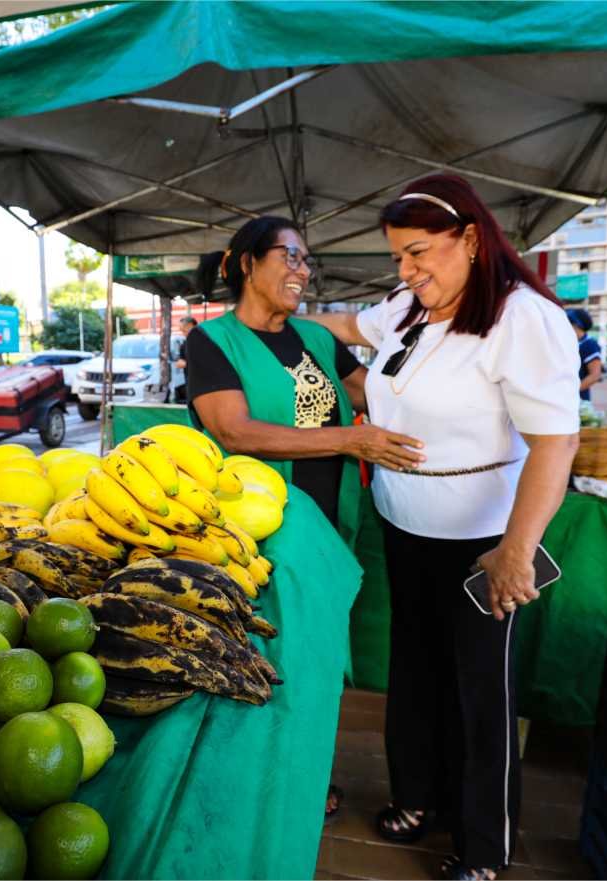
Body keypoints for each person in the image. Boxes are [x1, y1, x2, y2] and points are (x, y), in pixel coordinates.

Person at [306, 174, 580, 881]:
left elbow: (555, 442)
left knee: (479, 689)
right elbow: (344, 326)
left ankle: (485, 845)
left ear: (469, 237)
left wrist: (515, 549)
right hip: (404, 520)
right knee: (416, 665)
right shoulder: (407, 305)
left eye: (418, 251)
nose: (405, 270)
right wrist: (279, 311)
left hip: (481, 538)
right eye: (397, 255)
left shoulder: (522, 318)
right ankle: (417, 796)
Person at [187, 216, 424, 822]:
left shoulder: (316, 339)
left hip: (330, 526)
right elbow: (233, 430)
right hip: (260, 531)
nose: (302, 271)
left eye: (306, 261)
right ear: (247, 263)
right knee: (267, 655)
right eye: (290, 256)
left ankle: (309, 770)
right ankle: (261, 779)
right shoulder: (213, 343)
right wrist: (348, 441)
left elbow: (376, 393)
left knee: (315, 659)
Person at [567, 308, 602, 402]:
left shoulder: (589, 344)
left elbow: (595, 375)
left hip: (577, 399)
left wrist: (571, 392)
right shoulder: (571, 342)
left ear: (576, 325)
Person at [172, 315, 198, 403]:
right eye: (182, 330)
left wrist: (187, 364)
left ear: (192, 326)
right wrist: (180, 362)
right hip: (189, 381)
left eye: (185, 329)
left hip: (201, 382)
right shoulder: (184, 344)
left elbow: (206, 362)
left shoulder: (203, 342)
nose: (183, 332)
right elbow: (181, 359)